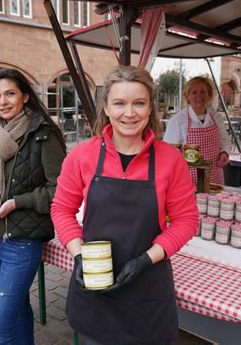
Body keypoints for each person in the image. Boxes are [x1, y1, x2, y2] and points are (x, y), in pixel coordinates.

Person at [51, 65, 198, 344]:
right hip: (95, 284)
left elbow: (186, 220)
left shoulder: (171, 159)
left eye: (138, 103)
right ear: (105, 107)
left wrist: (146, 259)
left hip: (148, 286)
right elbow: (61, 209)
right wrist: (79, 254)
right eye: (119, 103)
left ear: (150, 108)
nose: (129, 113)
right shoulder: (82, 156)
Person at [0, 69, 66, 345]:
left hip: (22, 242)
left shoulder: (43, 135)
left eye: (10, 93)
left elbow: (60, 189)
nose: (3, 101)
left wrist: (17, 202)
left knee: (0, 324)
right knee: (19, 306)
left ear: (24, 96)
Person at [163, 76, 231, 185]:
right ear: (187, 96)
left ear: (209, 95)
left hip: (214, 177)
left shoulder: (216, 117)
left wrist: (224, 153)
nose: (199, 96)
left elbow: (225, 141)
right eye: (194, 92)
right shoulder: (178, 120)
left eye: (203, 92)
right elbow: (168, 153)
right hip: (188, 180)